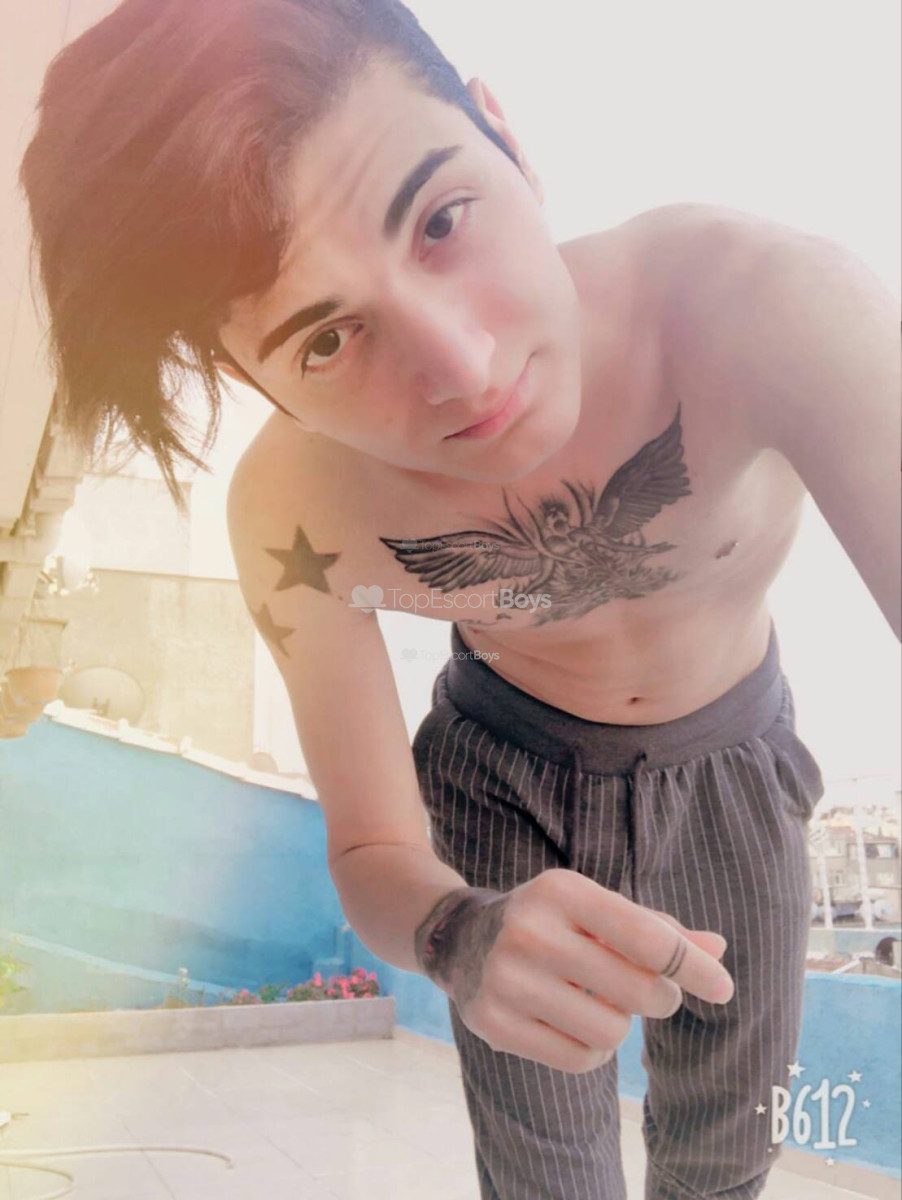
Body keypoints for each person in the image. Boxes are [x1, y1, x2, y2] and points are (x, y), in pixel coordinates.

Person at [17, 1, 900, 1197]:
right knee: (543, 1180)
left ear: (504, 136)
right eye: (325, 341)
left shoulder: (764, 306)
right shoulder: (297, 511)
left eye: (439, 219)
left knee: (727, 1152)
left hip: (733, 763)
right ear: (244, 374)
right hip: (496, 779)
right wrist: (458, 931)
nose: (464, 369)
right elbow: (373, 845)